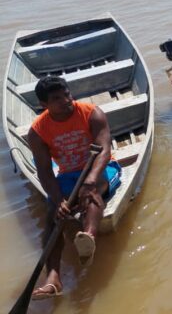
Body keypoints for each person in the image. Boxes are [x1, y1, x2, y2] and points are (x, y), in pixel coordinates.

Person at [26, 76, 121, 300]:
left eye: (67, 94)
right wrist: (58, 199)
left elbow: (105, 150)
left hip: (102, 168)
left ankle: (87, 237)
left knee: (92, 191)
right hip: (68, 175)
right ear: (44, 105)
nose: (66, 100)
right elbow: (44, 171)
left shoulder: (90, 113)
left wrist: (90, 179)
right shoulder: (37, 131)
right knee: (53, 214)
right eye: (56, 99)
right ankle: (53, 278)